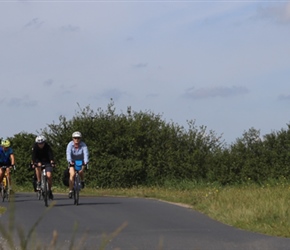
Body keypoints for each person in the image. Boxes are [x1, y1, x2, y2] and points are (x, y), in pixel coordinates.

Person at [66, 131, 89, 198]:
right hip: (72, 161)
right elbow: (68, 153)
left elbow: (86, 154)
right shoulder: (70, 144)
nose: (76, 140)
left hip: (81, 161)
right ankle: (70, 191)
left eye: (78, 138)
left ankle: (82, 181)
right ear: (73, 138)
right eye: (75, 138)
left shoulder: (83, 145)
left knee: (81, 171)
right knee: (72, 174)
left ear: (80, 139)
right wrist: (70, 161)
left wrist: (85, 162)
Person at [31, 135, 55, 200]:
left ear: (44, 142)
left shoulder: (47, 147)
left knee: (49, 176)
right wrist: (33, 163)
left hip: (47, 162)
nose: (41, 145)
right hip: (38, 161)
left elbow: (50, 154)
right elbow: (33, 156)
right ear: (37, 143)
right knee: (37, 167)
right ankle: (39, 182)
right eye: (39, 143)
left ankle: (49, 190)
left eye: (42, 143)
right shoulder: (35, 147)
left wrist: (52, 162)